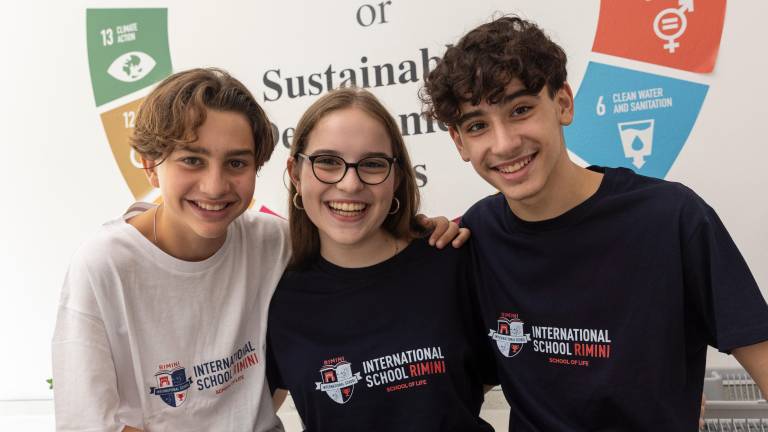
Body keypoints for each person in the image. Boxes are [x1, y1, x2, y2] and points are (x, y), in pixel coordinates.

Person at [51, 68, 462, 432]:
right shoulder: (105, 264)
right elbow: (88, 424)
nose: (214, 186)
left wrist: (422, 230)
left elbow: (355, 234)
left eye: (236, 163)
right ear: (149, 163)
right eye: (192, 160)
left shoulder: (272, 242)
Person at [420, 15, 768, 431]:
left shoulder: (671, 218)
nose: (505, 143)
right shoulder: (475, 233)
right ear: (459, 141)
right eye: (478, 125)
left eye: (521, 110)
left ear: (563, 104)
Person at [266, 87, 496, 432]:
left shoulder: (452, 261)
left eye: (373, 164)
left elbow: (486, 378)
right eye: (327, 161)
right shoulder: (278, 298)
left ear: (397, 177)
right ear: (296, 174)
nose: (350, 184)